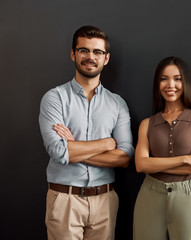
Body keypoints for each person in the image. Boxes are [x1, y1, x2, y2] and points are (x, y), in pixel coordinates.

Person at [39, 25, 134, 240]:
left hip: (105, 201)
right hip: (65, 200)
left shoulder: (117, 103)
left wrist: (74, 147)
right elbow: (58, 151)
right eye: (84, 50)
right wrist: (107, 143)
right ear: (73, 54)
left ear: (106, 58)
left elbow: (125, 157)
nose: (90, 57)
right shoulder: (54, 98)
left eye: (97, 52)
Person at [133, 56, 191, 240]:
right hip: (149, 195)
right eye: (163, 79)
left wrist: (154, 164)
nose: (170, 85)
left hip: (188, 195)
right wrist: (186, 159)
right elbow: (140, 165)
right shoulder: (147, 123)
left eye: (177, 79)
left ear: (185, 82)